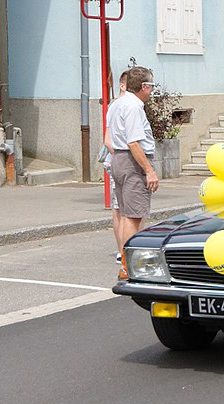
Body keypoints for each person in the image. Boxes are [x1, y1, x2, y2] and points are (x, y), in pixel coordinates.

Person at [109, 66, 160, 274]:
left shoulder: (118, 103)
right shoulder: (133, 106)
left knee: (123, 214)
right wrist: (149, 170)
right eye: (151, 86)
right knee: (134, 216)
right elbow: (134, 142)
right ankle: (129, 265)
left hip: (119, 159)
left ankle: (125, 260)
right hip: (132, 162)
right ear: (143, 86)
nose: (152, 90)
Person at [102, 71, 128, 264]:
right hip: (122, 161)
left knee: (119, 208)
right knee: (125, 210)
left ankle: (122, 250)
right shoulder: (121, 105)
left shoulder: (114, 106)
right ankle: (124, 252)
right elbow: (108, 140)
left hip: (116, 161)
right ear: (122, 85)